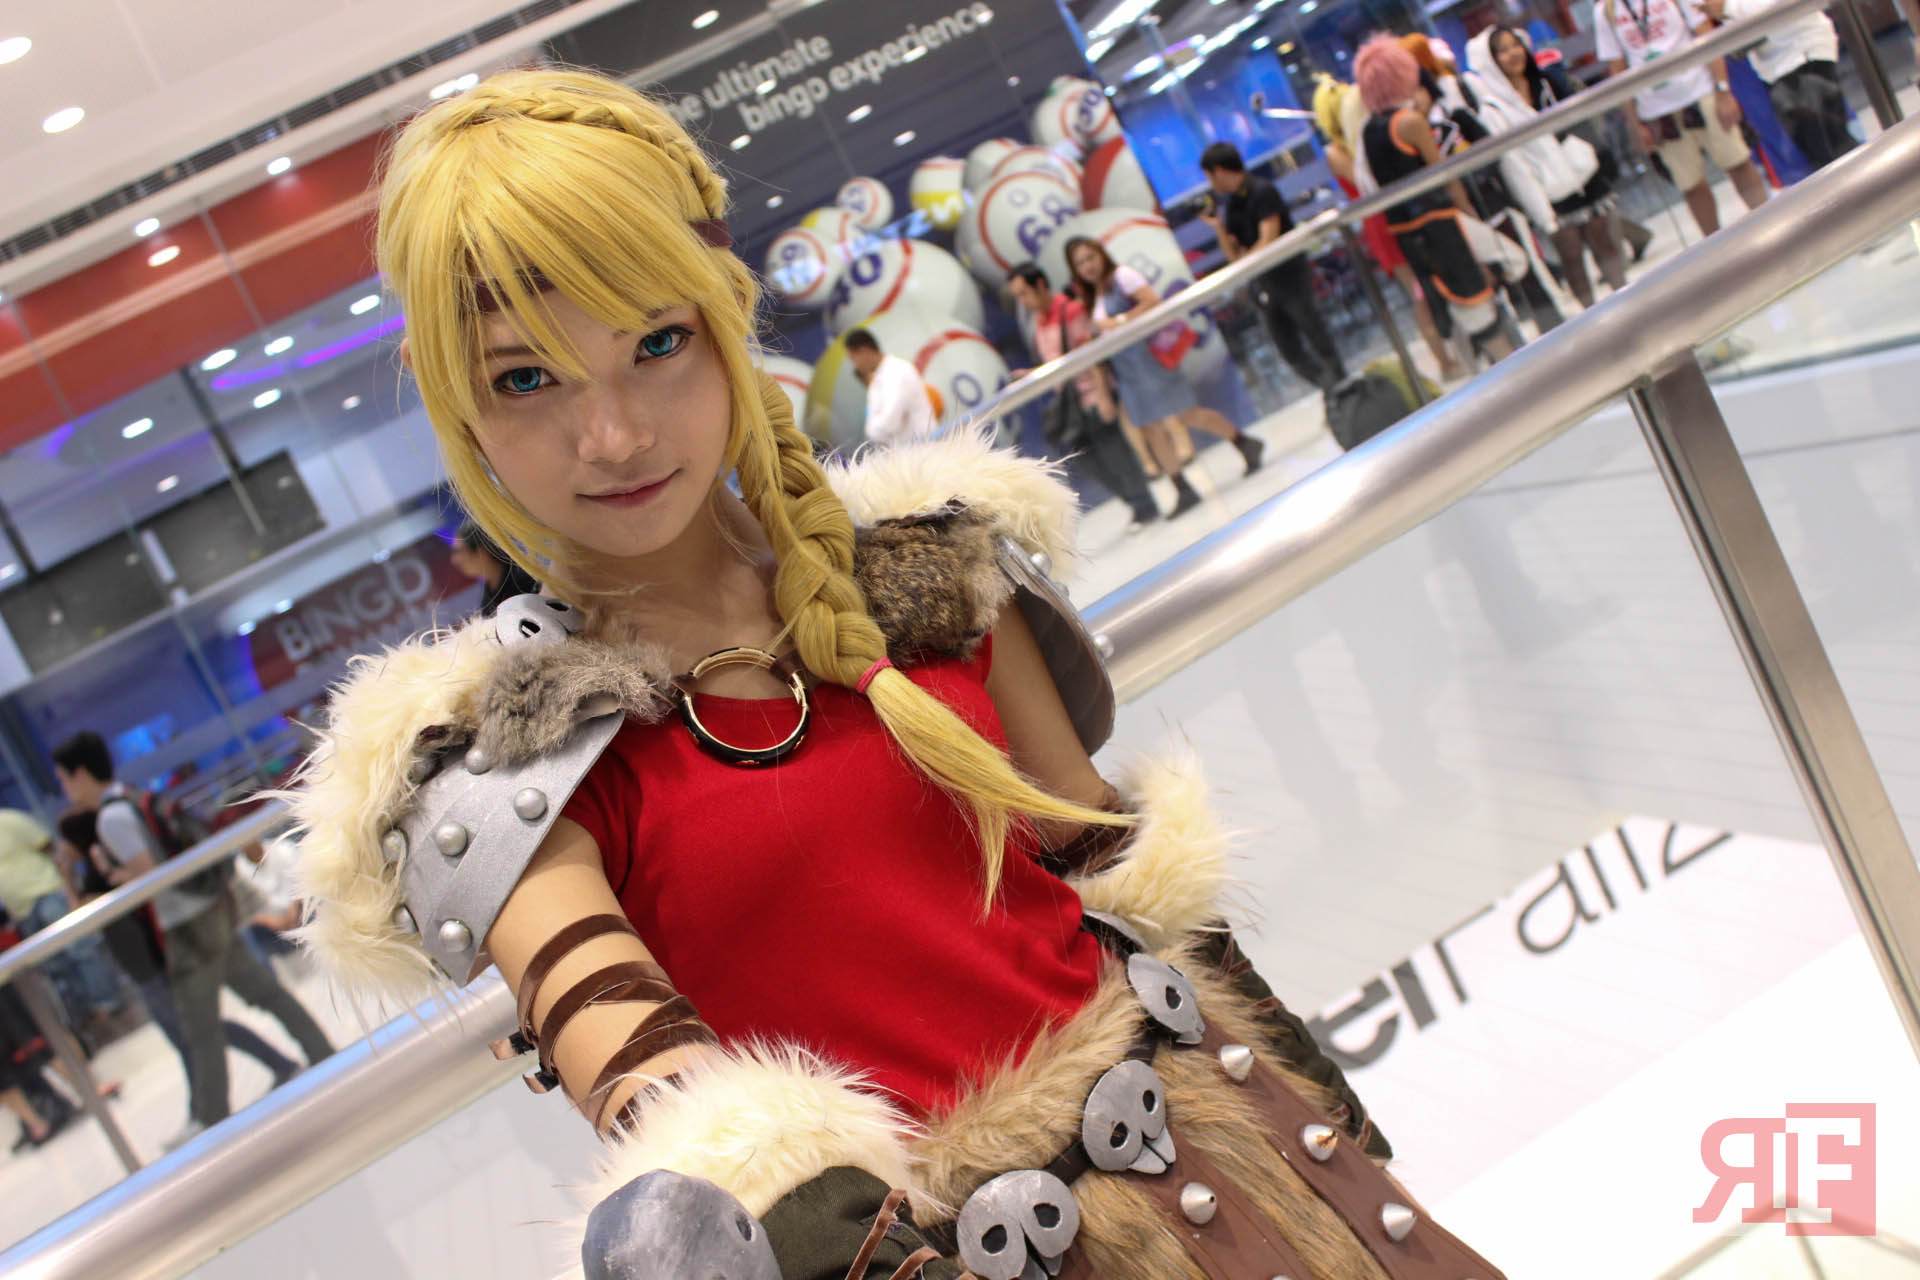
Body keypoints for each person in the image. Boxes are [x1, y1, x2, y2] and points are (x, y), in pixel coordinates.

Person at [287, 69, 1505, 1279]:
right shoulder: (512, 773)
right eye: (525, 377)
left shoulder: (926, 577)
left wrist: (1330, 1132)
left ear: (724, 321)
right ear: (457, 407)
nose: (613, 434)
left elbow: (1130, 885)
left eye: (657, 343)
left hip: (1245, 1164)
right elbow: (686, 1133)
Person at [51, 732, 332, 1147]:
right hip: (209, 907)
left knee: (198, 1026)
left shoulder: (111, 817)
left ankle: (211, 1117)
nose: (64, 788)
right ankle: (321, 1051)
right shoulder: (132, 796)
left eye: (63, 778)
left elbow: (148, 871)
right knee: (262, 992)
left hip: (185, 924)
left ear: (80, 773)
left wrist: (111, 874)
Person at [56, 810, 302, 1099]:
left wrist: (67, 878)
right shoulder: (100, 866)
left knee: (199, 1029)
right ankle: (221, 1097)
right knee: (193, 1031)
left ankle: (225, 1099)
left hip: (150, 959)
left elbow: (81, 915)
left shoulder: (102, 869)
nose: (63, 848)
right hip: (142, 961)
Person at [1064, 235, 1262, 518]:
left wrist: (1116, 321)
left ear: (1101, 255)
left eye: (1090, 257)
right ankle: (1181, 487)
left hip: (1150, 359)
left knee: (1187, 414)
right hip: (1127, 368)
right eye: (1080, 263)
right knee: (1148, 428)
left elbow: (1151, 302)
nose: (1088, 266)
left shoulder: (1122, 276)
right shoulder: (1094, 295)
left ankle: (1244, 442)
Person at [1355, 35, 1523, 363]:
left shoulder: (1370, 131)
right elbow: (1445, 177)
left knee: (1465, 302)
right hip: (1442, 223)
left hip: (1409, 233)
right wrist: (1467, 210)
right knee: (1496, 279)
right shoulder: (1410, 123)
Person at [1312, 74, 1466, 379]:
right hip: (1382, 223)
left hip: (1401, 213)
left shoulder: (1367, 135)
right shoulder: (1338, 152)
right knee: (1420, 294)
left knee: (1435, 281)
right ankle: (1445, 362)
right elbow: (1364, 182)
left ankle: (1460, 348)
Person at [1468, 26, 1631, 308]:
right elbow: (1514, 165)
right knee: (1572, 258)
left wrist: (1591, 155)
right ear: (1490, 61)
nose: (1513, 53)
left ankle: (1628, 305)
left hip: (1583, 172)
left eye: (1515, 45)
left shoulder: (1545, 82)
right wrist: (1539, 209)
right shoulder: (1492, 109)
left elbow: (1580, 120)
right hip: (1548, 191)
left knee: (1604, 243)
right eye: (1503, 50)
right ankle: (1593, 319)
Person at [1005, 262, 1160, 532]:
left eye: (1023, 293)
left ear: (1039, 285)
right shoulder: (1039, 321)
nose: (1022, 301)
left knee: (1116, 454)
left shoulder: (1070, 310)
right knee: (1088, 460)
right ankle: (1133, 502)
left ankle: (1144, 505)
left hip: (1091, 394)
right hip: (1070, 401)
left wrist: (1104, 396)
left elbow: (1091, 355)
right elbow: (1057, 360)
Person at [1593, 0, 1768, 236]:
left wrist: (1723, 90)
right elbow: (1617, 69)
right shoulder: (1606, 10)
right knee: (1690, 185)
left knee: (1738, 162)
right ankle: (1715, 245)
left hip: (1701, 90)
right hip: (1656, 108)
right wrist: (1635, 124)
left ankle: (1769, 225)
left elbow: (1706, 35)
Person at [1197, 142, 1347, 392]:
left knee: (1314, 331)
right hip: (1263, 283)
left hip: (1289, 274)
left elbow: (1269, 238)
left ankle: (1342, 385)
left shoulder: (1262, 191)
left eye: (1209, 176)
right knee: (1289, 349)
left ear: (1219, 171)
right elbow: (1234, 255)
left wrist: (1248, 259)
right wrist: (1218, 228)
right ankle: (1330, 389)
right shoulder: (1232, 206)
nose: (1209, 183)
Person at [0, 807, 121, 1033]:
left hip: (47, 893)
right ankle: (84, 1018)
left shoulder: (10, 820)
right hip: (21, 911)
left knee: (79, 949)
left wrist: (68, 883)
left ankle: (108, 1004)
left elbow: (49, 848)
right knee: (54, 966)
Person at [1702, 0, 1853, 171]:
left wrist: (1728, 7)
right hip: (1774, 67)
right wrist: (1724, 13)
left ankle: (1868, 185)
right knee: (1815, 151)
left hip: (1803, 52)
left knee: (1831, 145)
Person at [843, 328, 936, 447]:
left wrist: (871, 430)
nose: (855, 366)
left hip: (925, 448)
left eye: (853, 359)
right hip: (908, 451)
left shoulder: (898, 371)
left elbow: (890, 422)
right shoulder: (879, 378)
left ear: (864, 351)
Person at [450, 519, 542, 616]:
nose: (454, 560)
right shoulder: (487, 599)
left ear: (481, 552)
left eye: (459, 551)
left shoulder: (527, 581)